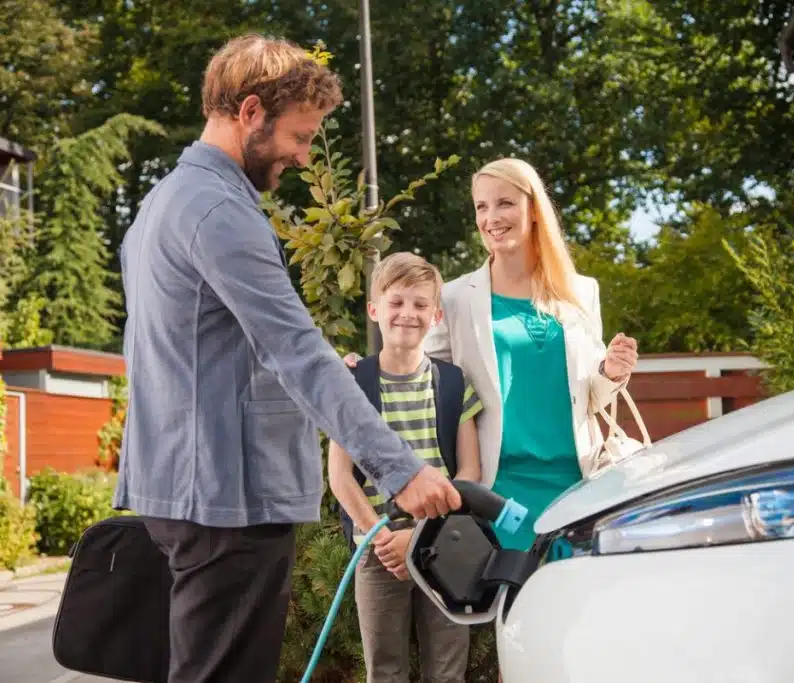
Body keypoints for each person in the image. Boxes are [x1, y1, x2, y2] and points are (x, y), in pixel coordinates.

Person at [113, 34, 461, 683]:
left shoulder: (160, 204)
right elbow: (295, 352)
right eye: (300, 136)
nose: (304, 155)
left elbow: (199, 349)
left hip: (181, 488)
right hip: (227, 499)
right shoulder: (221, 212)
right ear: (249, 112)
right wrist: (398, 468)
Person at [348, 157, 639, 552]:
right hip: (497, 491)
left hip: (578, 484)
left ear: (533, 210)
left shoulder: (581, 292)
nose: (491, 217)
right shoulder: (454, 299)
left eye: (504, 203)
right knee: (504, 608)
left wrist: (611, 372)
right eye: (481, 207)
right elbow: (419, 375)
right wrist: (363, 371)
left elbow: (591, 394)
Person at [328, 251, 483, 683]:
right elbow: (340, 477)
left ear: (435, 316)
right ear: (375, 310)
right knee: (385, 670)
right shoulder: (353, 383)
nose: (407, 314)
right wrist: (380, 536)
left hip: (442, 544)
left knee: (448, 670)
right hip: (379, 550)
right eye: (396, 303)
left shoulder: (453, 383)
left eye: (419, 305)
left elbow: (469, 472)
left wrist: (419, 534)